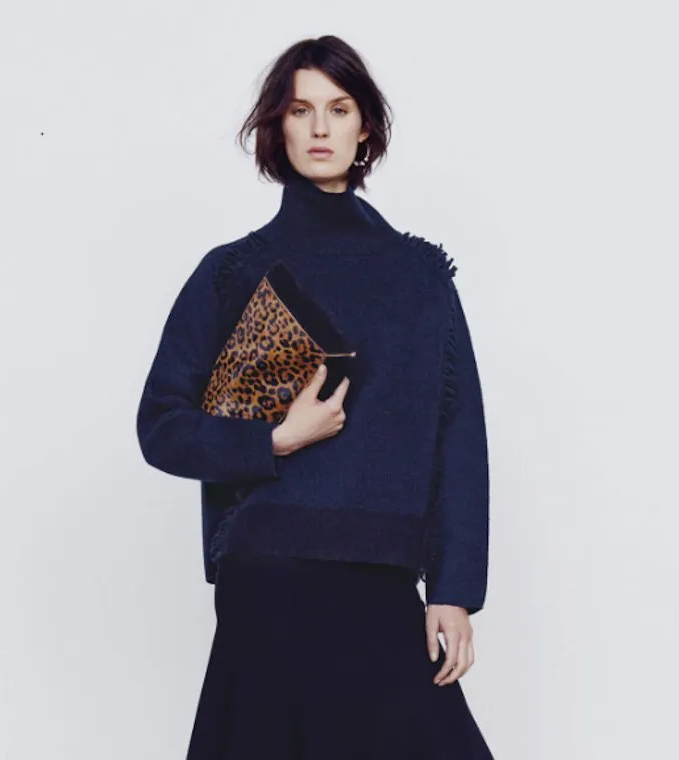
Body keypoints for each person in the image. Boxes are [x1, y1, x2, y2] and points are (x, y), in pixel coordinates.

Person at [136, 35, 493, 759]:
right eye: (301, 110)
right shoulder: (234, 273)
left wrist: (453, 590)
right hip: (269, 575)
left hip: (381, 579)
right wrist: (273, 440)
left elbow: (458, 438)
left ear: (366, 128)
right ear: (279, 127)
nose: (320, 128)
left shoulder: (421, 279)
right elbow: (160, 425)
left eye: (339, 108)